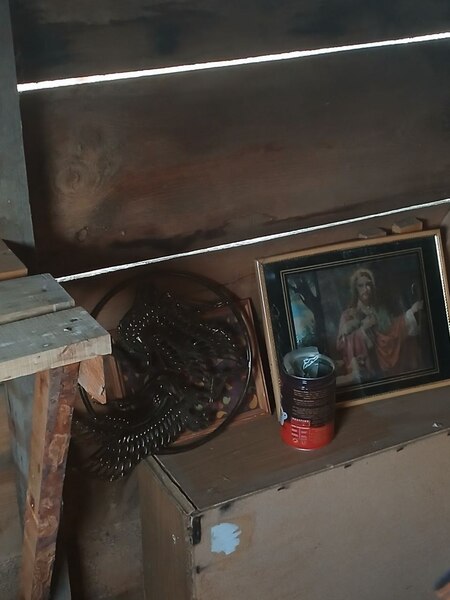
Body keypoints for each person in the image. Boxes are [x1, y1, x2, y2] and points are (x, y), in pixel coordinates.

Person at [336, 267, 423, 384]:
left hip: (383, 361)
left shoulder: (379, 310)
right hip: (365, 365)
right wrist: (363, 331)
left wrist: (410, 314)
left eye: (368, 284)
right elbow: (341, 344)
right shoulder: (348, 315)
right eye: (361, 286)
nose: (366, 289)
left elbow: (392, 330)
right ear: (355, 289)